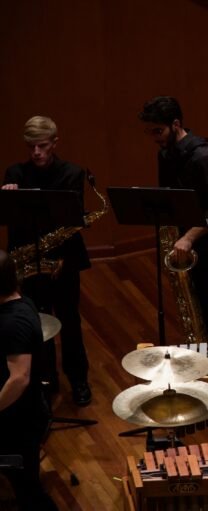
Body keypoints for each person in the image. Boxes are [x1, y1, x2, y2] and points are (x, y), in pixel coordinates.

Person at [2, 116, 92, 406]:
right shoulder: (14, 173)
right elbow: (6, 220)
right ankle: (45, 378)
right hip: (28, 261)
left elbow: (72, 220)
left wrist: (61, 256)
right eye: (31, 147)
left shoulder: (71, 174)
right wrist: (7, 199)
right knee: (37, 321)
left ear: (54, 143)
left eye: (42, 146)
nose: (36, 152)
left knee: (69, 319)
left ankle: (78, 379)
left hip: (62, 259)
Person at [139, 96, 208, 342]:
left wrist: (188, 238)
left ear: (176, 123)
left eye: (158, 131)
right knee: (193, 306)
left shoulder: (203, 157)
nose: (154, 138)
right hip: (184, 239)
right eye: (150, 132)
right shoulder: (165, 154)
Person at [0, 250, 57, 510]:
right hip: (16, 416)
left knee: (29, 492)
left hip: (18, 422)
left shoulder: (13, 322)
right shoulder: (18, 302)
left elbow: (19, 379)